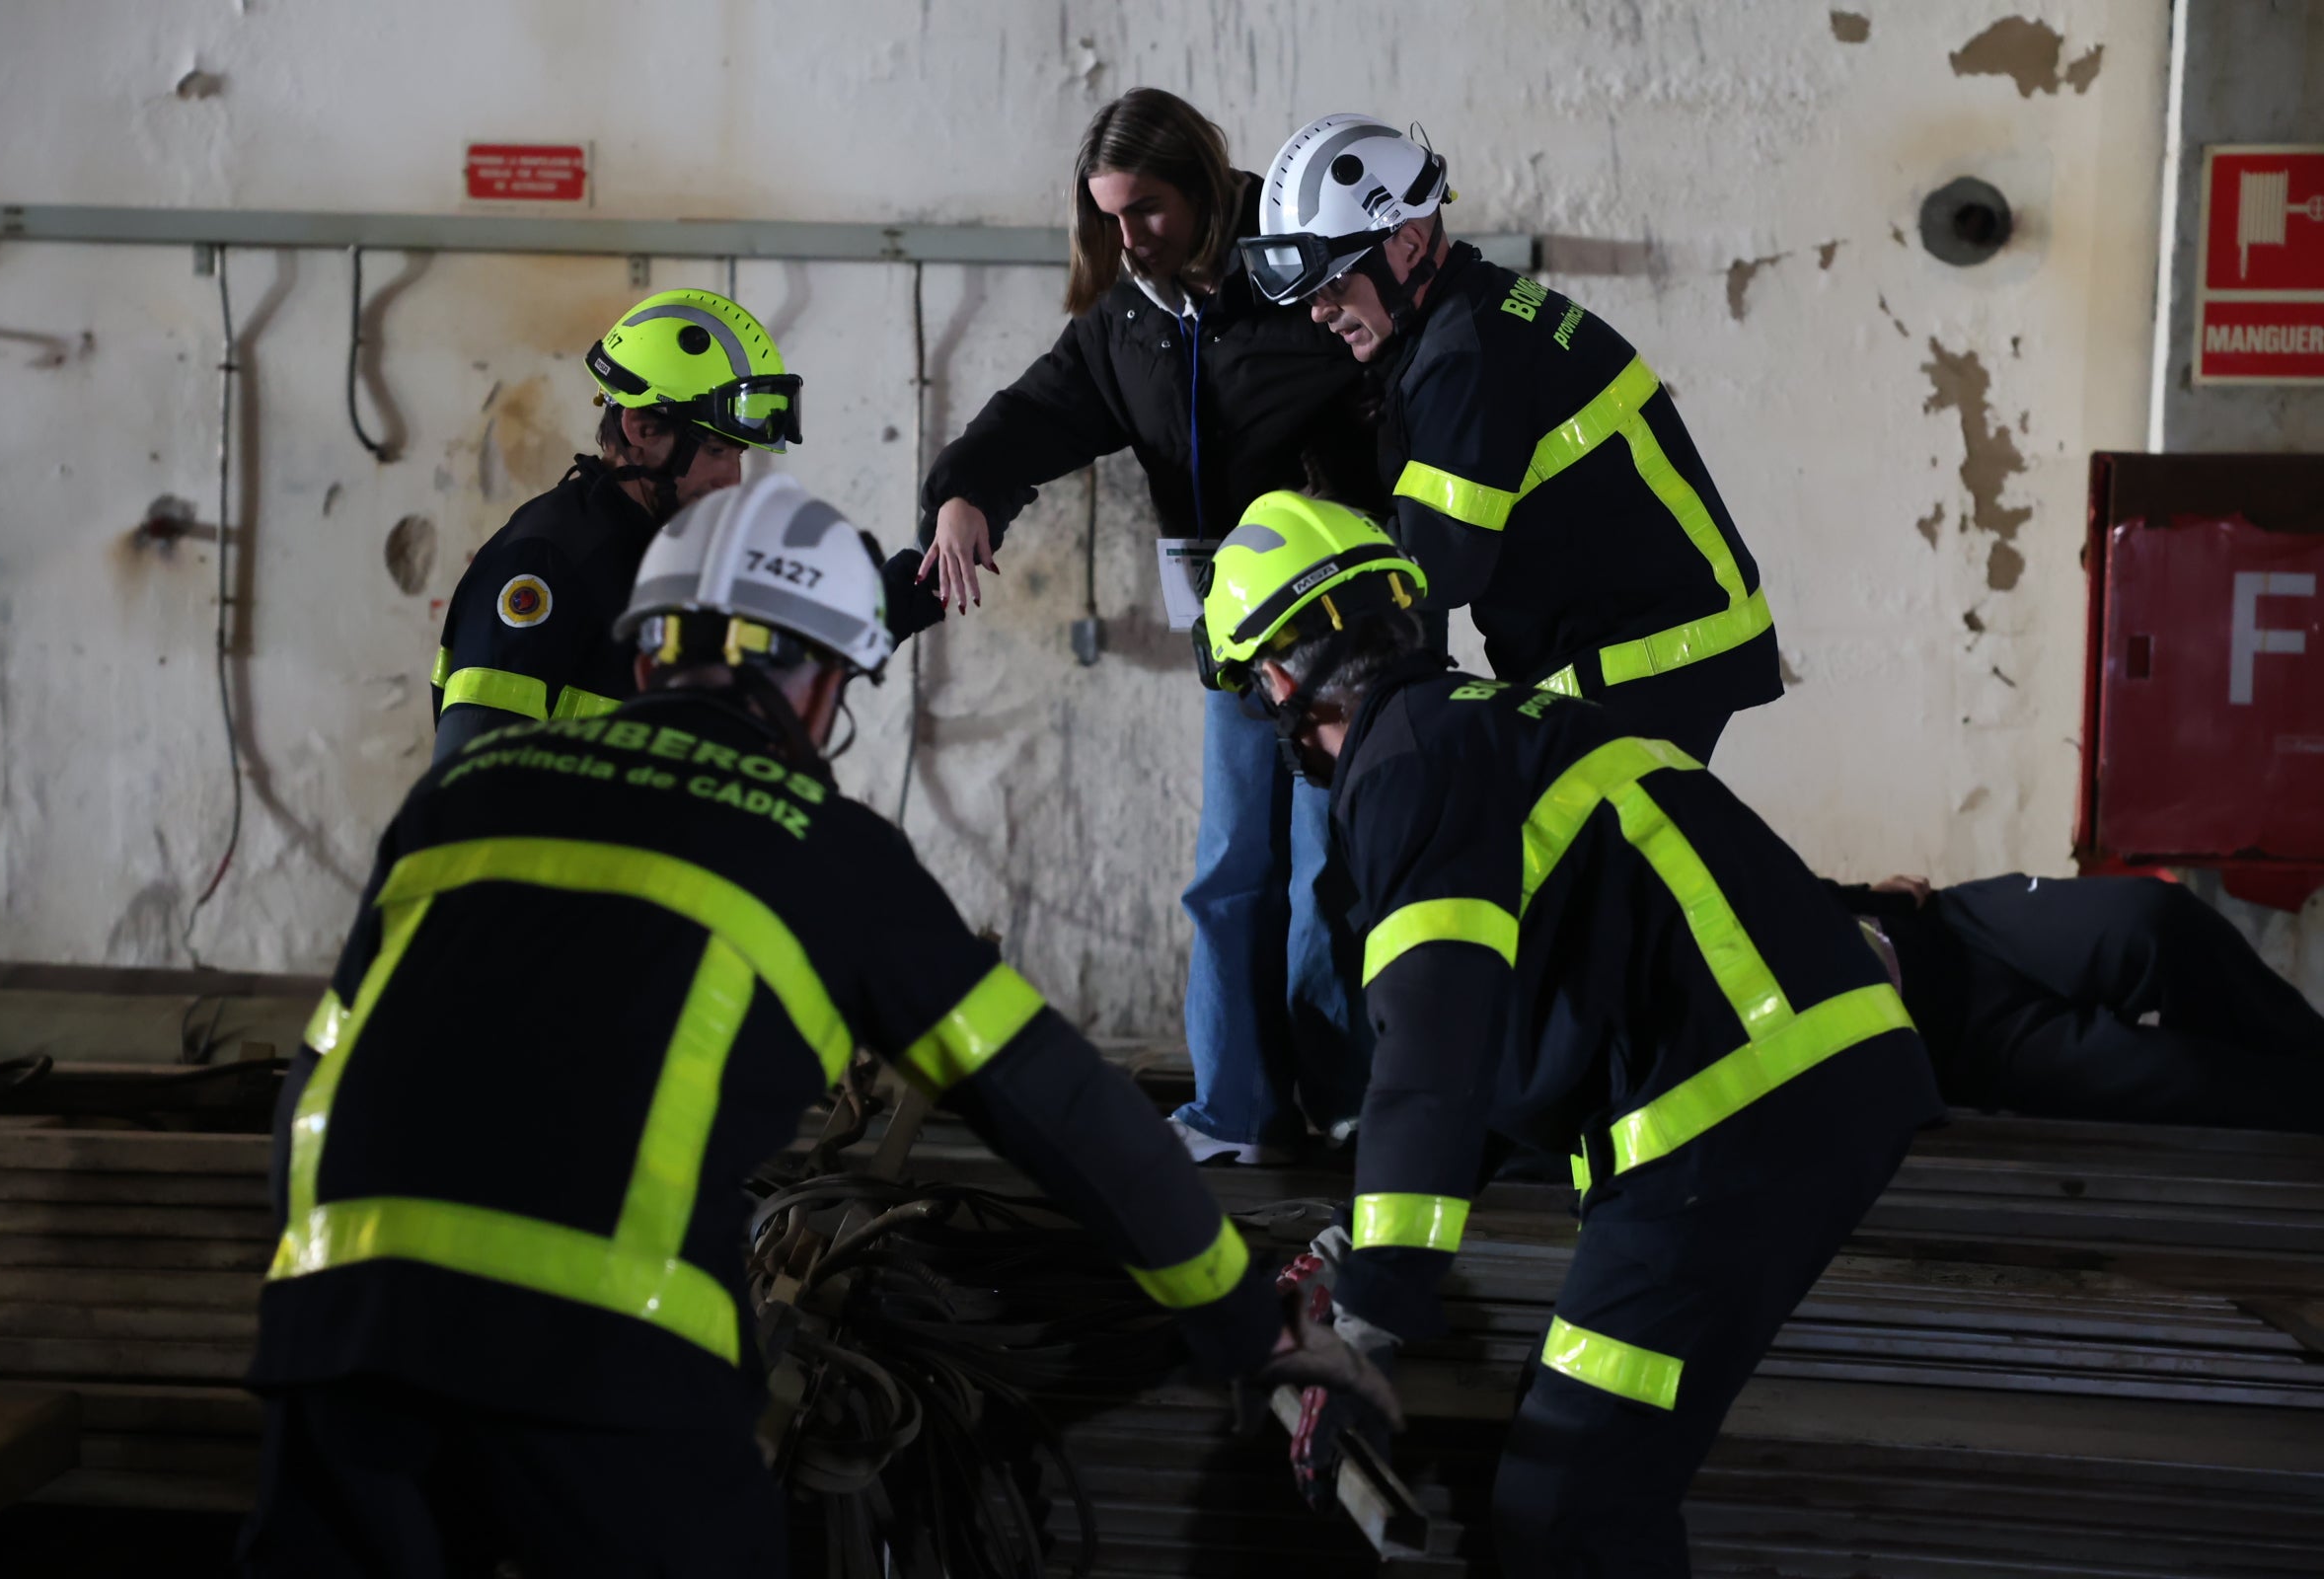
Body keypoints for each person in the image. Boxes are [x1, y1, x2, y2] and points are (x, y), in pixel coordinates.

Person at [242, 476, 1392, 1577]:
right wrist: (1250, 1323)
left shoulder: (458, 800)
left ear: (648, 646)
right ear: (813, 684)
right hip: (607, 1364)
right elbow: (1064, 1110)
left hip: (337, 1337)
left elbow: (316, 1079)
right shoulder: (826, 850)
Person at [1193, 492, 1945, 1575]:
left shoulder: (1401, 769)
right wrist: (1357, 1251)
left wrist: (1363, 1325)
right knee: (1581, 1497)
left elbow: (1432, 1053)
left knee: (1571, 1506)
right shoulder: (1486, 726)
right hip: (1790, 1085)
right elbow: (1498, 1054)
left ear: (1273, 681)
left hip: (1733, 1115)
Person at [918, 88, 1386, 1165]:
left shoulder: (1304, 281)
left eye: (1149, 210)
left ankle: (1350, 1103)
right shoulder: (1128, 321)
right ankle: (1238, 1111)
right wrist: (963, 490)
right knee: (1229, 870)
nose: (1128, 236)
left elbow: (1409, 391)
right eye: (1109, 216)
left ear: (1210, 188)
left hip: (1353, 639)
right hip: (1236, 643)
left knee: (1335, 873)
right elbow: (1035, 412)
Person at [1244, 115, 1782, 763]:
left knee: (1585, 854)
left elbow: (1433, 569)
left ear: (1410, 243)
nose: (1320, 311)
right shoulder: (1470, 315)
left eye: (1333, 282)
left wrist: (1304, 589)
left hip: (1641, 654)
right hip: (1644, 640)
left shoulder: (1462, 358)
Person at [427, 288, 803, 761]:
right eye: (716, 450)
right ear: (642, 429)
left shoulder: (663, 557)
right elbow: (470, 789)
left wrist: (909, 590)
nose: (732, 479)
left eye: (738, 453)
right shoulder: (549, 561)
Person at [1838, 872, 2324, 1131]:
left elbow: (1768, 888)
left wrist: (1857, 896)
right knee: (2191, 1075)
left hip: (1953, 927)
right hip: (1962, 1051)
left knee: (2156, 918)